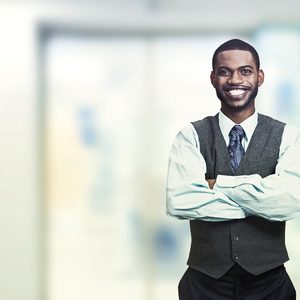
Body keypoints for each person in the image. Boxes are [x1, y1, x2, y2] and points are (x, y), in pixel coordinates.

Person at [166, 38, 300, 300]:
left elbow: (290, 202)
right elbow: (179, 201)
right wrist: (261, 201)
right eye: (225, 72)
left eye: (245, 71)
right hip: (203, 284)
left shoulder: (288, 136)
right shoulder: (190, 135)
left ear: (259, 77)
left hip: (270, 284)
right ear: (213, 77)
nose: (235, 80)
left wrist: (218, 185)